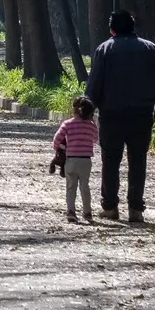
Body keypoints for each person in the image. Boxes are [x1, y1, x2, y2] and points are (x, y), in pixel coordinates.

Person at [84, 10, 155, 223]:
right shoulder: (149, 48)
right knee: (138, 160)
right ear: (133, 27)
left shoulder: (104, 49)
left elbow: (95, 83)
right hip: (141, 114)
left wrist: (87, 111)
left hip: (111, 114)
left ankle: (110, 206)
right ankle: (135, 209)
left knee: (110, 160)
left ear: (111, 29)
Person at [49, 95, 99, 223]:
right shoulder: (92, 126)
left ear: (75, 109)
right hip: (86, 161)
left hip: (71, 160)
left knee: (71, 186)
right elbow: (95, 139)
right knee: (85, 186)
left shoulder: (68, 124)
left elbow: (56, 139)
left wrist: (59, 149)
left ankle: (71, 211)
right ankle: (87, 212)